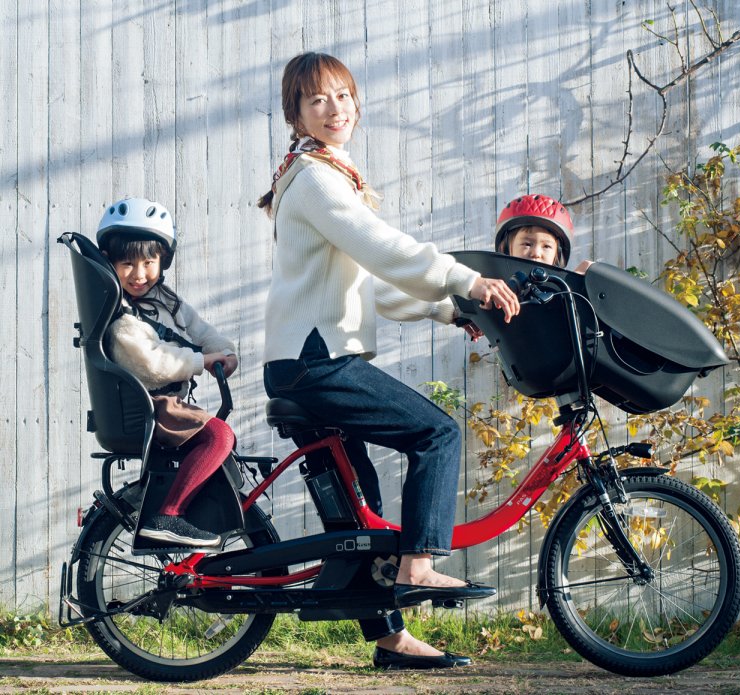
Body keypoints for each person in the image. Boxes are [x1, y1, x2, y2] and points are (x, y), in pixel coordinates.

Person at [258, 52, 519, 670]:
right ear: (296, 114)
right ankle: (418, 565)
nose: (335, 109)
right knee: (436, 432)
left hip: (304, 359)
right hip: (316, 361)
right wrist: (465, 280)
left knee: (361, 512)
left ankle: (391, 640)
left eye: (343, 96)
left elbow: (366, 283)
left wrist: (447, 310)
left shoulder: (321, 175)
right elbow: (382, 248)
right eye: (318, 100)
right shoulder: (316, 178)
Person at [97, 197, 239, 548]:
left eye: (148, 262)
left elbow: (199, 329)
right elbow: (152, 362)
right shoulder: (121, 318)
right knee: (219, 437)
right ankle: (169, 516)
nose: (139, 274)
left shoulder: (165, 299)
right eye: (127, 263)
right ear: (110, 263)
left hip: (169, 402)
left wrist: (223, 351)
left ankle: (185, 512)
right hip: (151, 404)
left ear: (164, 260)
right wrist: (200, 362)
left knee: (218, 448)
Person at [494, 193, 592, 273]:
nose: (536, 253)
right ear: (505, 249)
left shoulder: (565, 290)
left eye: (546, 246)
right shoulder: (492, 287)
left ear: (558, 255)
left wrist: (576, 283)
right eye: (527, 244)